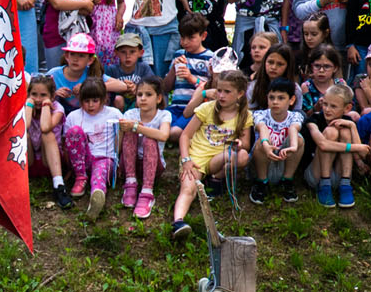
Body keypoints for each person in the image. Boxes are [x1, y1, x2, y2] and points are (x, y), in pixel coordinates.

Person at [171, 68, 252, 242]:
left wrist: (239, 144)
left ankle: (216, 178)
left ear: (239, 94)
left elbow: (246, 144)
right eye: (219, 90)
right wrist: (186, 160)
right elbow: (185, 136)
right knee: (188, 188)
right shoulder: (207, 108)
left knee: (243, 156)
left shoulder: (244, 115)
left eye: (227, 92)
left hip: (219, 158)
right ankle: (178, 222)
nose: (221, 95)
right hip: (197, 156)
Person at [62, 77, 123, 216]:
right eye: (86, 101)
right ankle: (80, 178)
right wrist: (68, 167)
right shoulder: (73, 116)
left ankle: (97, 197)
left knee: (100, 173)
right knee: (74, 131)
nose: (90, 105)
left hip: (105, 158)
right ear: (80, 100)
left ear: (103, 99)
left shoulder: (113, 114)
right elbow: (67, 144)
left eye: (95, 101)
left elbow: (121, 137)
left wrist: (118, 159)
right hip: (82, 162)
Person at [118, 76, 172, 217]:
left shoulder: (164, 115)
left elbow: (163, 135)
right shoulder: (130, 113)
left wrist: (136, 127)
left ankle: (147, 192)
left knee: (149, 139)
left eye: (148, 95)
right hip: (131, 163)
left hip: (154, 165)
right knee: (129, 132)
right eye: (140, 94)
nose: (143, 98)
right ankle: (130, 183)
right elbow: (121, 140)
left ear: (159, 98)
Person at [303, 83, 363, 208]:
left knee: (345, 130)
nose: (327, 109)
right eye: (325, 104)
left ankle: (345, 185)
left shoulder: (348, 121)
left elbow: (362, 153)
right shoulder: (313, 119)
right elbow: (323, 144)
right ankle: (325, 186)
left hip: (339, 174)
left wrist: (352, 126)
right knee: (331, 132)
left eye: (333, 106)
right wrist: (355, 147)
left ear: (347, 108)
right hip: (316, 175)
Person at [251, 77, 305, 204]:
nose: (275, 102)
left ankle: (287, 180)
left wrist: (293, 146)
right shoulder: (260, 114)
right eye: (271, 97)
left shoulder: (296, 116)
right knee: (260, 143)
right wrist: (265, 144)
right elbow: (262, 127)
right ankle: (261, 183)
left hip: (283, 161)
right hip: (263, 163)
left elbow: (293, 128)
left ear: (291, 100)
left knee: (299, 139)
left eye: (281, 98)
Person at [26, 73, 70, 207]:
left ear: (52, 96)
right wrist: (29, 105)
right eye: (34, 94)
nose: (38, 99)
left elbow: (45, 127)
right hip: (30, 162)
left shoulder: (57, 108)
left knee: (47, 134)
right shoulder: (27, 106)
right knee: (25, 135)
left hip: (50, 162)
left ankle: (59, 185)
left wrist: (46, 106)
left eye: (43, 95)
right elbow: (24, 126)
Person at [165, 15, 214, 128]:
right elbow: (166, 88)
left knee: (173, 132)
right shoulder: (178, 54)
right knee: (161, 128)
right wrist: (173, 70)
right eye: (182, 38)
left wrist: (191, 78)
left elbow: (210, 88)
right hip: (175, 107)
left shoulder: (210, 58)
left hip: (195, 109)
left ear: (203, 36)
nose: (185, 42)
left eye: (190, 37)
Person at [104, 31, 156, 111]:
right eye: (123, 52)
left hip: (137, 104)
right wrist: (121, 87)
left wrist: (137, 89)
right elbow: (104, 89)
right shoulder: (112, 70)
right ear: (116, 53)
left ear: (141, 53)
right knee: (118, 99)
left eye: (132, 52)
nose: (128, 56)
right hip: (116, 106)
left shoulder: (144, 68)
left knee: (141, 100)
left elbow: (153, 86)